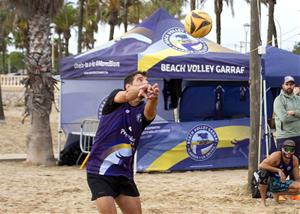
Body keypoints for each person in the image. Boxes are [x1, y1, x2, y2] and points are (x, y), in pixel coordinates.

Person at [86, 72, 159, 214]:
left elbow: (150, 113)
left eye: (146, 80)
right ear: (128, 86)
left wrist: (153, 98)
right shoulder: (115, 99)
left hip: (124, 173)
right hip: (100, 171)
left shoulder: (142, 110)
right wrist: (141, 90)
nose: (145, 82)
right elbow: (125, 96)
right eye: (140, 80)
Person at [258, 140, 300, 206]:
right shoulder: (276, 155)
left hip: (280, 182)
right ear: (282, 149)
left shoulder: (295, 160)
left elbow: (297, 178)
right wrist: (278, 170)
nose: (289, 152)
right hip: (269, 181)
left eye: (291, 150)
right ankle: (263, 201)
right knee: (263, 173)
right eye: (286, 149)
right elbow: (261, 165)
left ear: (294, 151)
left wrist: (297, 188)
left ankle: (278, 193)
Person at [273, 75, 300, 160]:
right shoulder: (278, 100)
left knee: (296, 164)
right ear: (283, 85)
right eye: (287, 84)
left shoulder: (298, 99)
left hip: (298, 135)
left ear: (294, 86)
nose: (289, 86)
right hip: (284, 137)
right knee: (284, 164)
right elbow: (284, 118)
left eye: (291, 84)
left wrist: (294, 113)